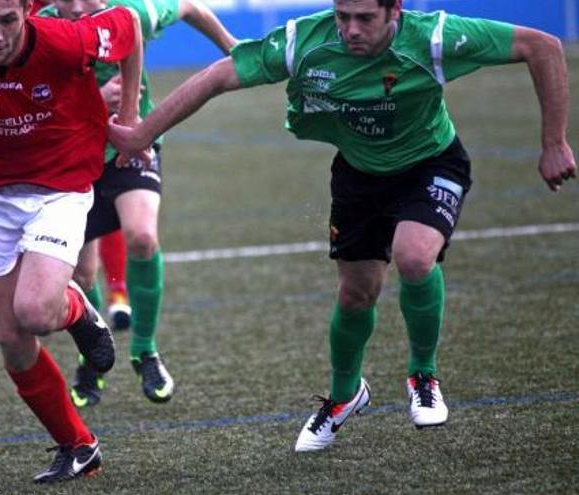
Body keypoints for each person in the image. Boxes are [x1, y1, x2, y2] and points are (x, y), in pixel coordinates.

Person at [108, 0, 576, 451]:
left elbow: (544, 47)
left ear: (395, 11)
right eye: (342, 16)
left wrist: (554, 141)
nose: (351, 29)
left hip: (431, 163)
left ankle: (423, 375)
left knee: (414, 258)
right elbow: (219, 76)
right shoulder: (303, 42)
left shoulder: (434, 37)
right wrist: (142, 135)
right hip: (358, 175)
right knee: (356, 295)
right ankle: (343, 396)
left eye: (365, 18)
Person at [0, 0, 146, 483]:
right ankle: (79, 446)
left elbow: (130, 26)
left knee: (37, 312)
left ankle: (76, 308)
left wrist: (128, 120)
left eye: (7, 20)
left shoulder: (68, 40)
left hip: (59, 186)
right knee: (11, 338)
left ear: (26, 11)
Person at [38, 0, 238, 408]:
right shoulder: (39, 31)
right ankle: (91, 353)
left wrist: (233, 46)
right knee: (81, 271)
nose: (77, 7)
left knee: (143, 237)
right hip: (74, 157)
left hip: (132, 149)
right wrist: (94, 97)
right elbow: (32, 103)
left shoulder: (131, 12)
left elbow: (189, 7)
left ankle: (145, 350)